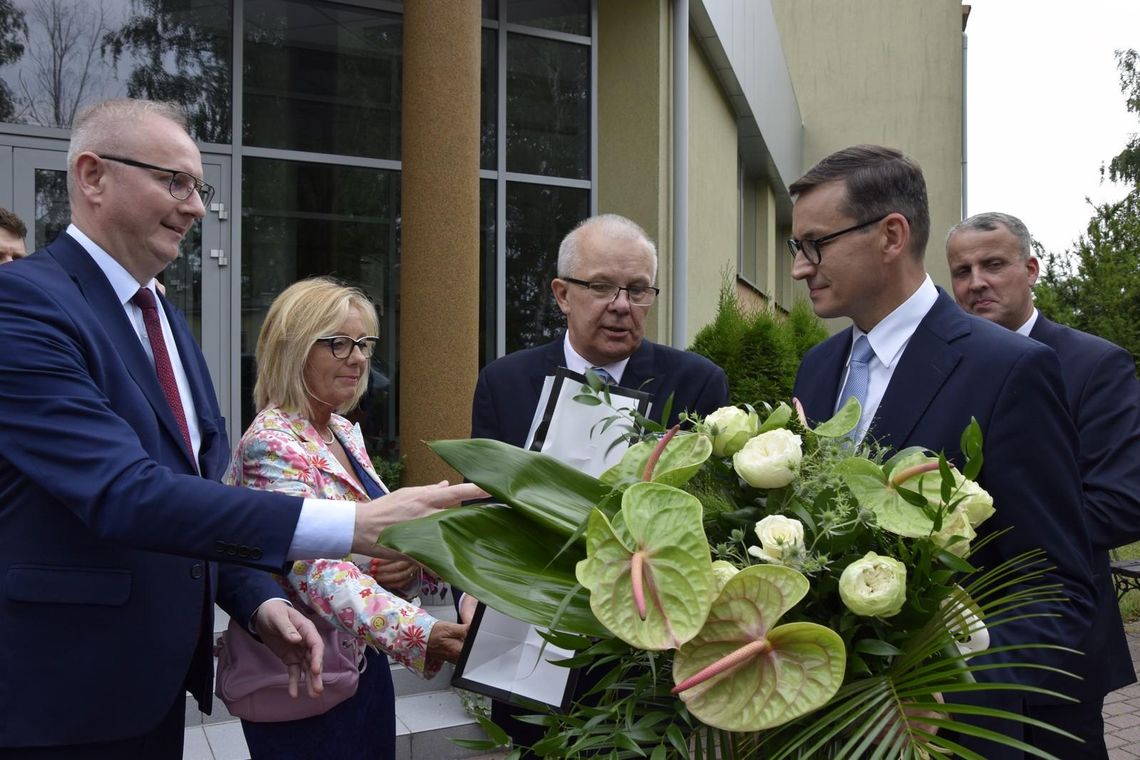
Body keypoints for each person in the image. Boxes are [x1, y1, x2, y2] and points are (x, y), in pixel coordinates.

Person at [0, 98, 482, 758]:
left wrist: (256, 600)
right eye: (175, 181)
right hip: (63, 694)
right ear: (92, 176)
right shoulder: (22, 302)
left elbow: (195, 502)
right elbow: (124, 492)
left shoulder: (164, 320)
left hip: (157, 688)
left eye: (201, 187)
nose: (197, 206)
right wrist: (356, 527)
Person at [787, 145, 1096, 758]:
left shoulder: (1009, 369)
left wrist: (936, 693)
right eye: (797, 247)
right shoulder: (817, 371)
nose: (800, 267)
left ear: (891, 235)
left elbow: (1058, 593)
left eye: (814, 244)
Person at [465, 213, 730, 753]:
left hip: (646, 654)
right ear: (562, 294)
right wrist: (471, 591)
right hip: (531, 635)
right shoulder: (505, 382)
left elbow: (713, 517)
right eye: (603, 287)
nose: (621, 305)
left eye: (637, 290)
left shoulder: (697, 383)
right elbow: (481, 507)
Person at [223, 277, 467, 759]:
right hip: (303, 675)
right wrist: (422, 632)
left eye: (364, 344)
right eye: (338, 343)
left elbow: (365, 539)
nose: (358, 358)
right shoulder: (271, 443)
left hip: (361, 663)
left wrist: (412, 557)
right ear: (292, 348)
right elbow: (313, 569)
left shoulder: (341, 430)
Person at [946, 211, 1140, 758]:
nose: (976, 281)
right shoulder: (948, 369)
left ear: (1031, 269)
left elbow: (1123, 504)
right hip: (952, 645)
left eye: (993, 264)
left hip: (1057, 637)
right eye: (962, 271)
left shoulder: (1094, 364)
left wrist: (983, 532)